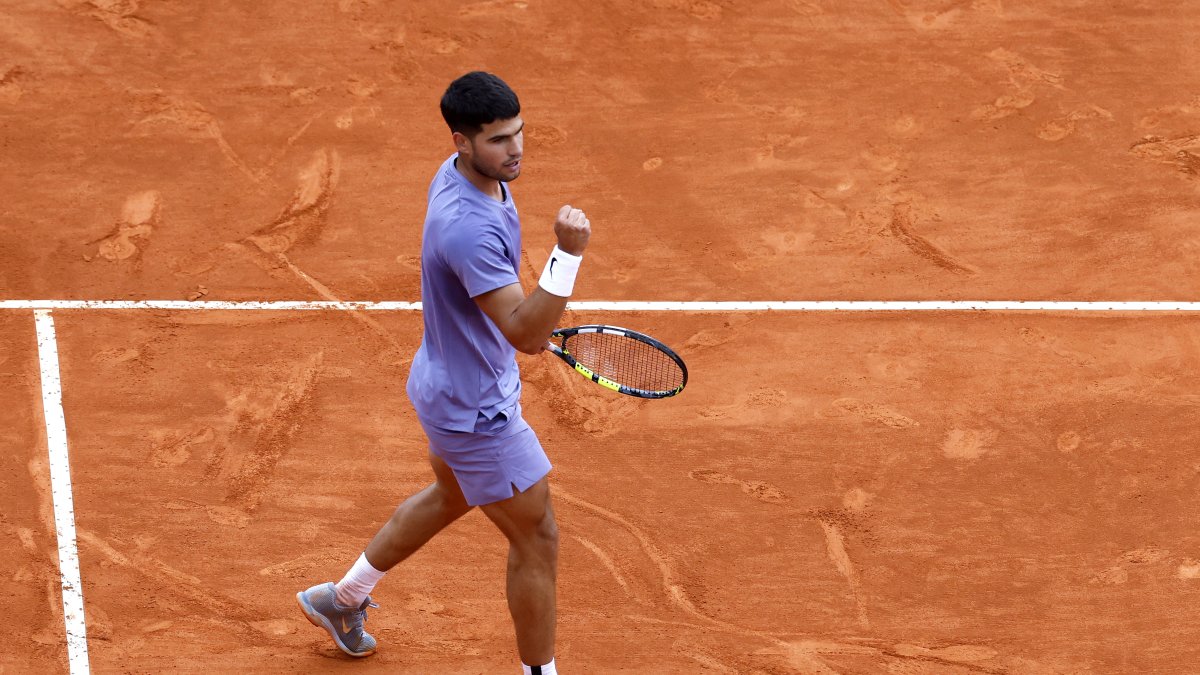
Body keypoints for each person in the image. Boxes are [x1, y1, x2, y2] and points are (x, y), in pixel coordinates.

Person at [296, 71, 589, 675]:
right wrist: (567, 255)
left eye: (519, 134)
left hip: (444, 381)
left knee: (451, 493)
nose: (515, 150)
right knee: (537, 540)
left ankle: (342, 598)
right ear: (462, 141)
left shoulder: (464, 176)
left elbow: (503, 317)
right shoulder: (467, 227)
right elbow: (529, 335)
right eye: (499, 140)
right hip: (478, 411)